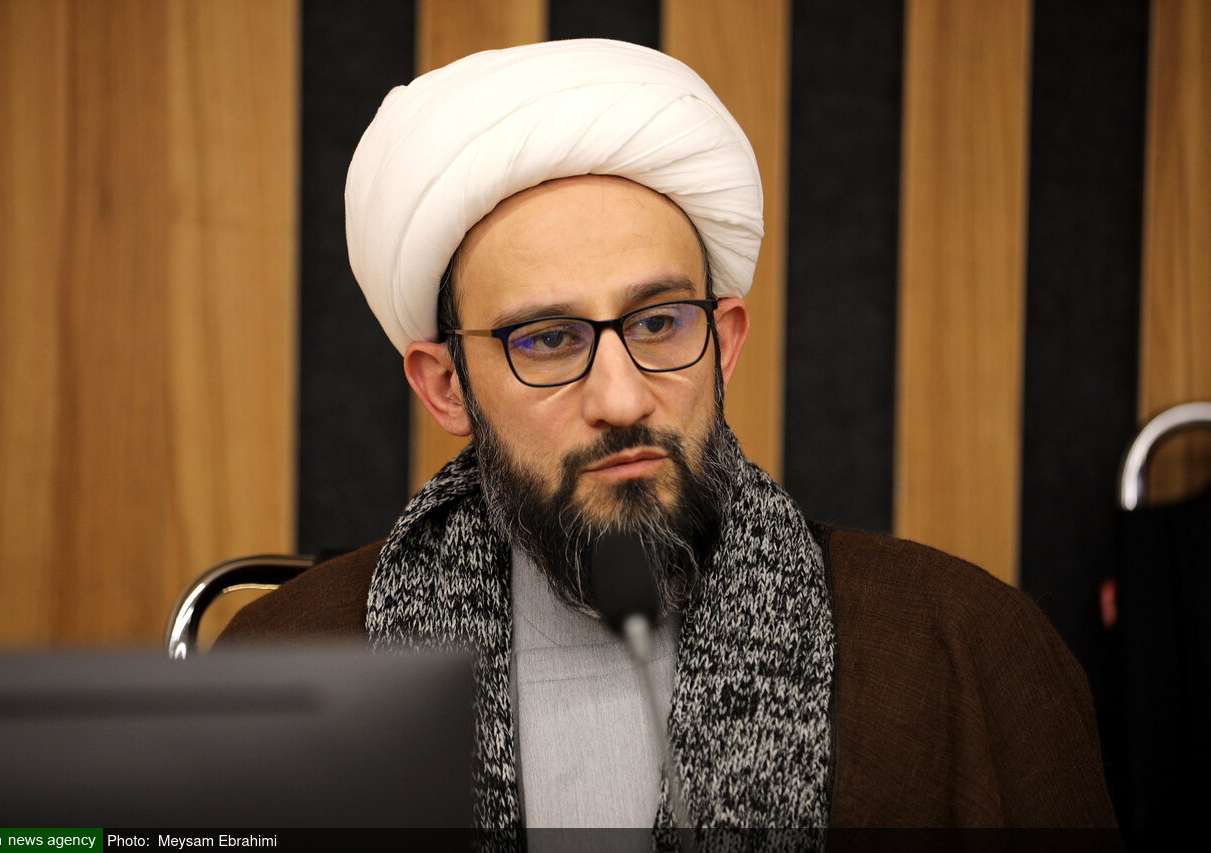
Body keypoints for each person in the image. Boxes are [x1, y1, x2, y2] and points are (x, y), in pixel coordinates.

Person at [218, 39, 1114, 832]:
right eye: (549, 339)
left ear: (725, 341)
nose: (621, 398)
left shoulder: (962, 651)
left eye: (657, 324)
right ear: (446, 385)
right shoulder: (286, 667)